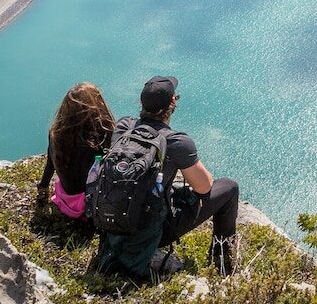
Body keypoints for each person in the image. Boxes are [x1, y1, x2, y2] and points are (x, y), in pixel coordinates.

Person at [98, 76, 239, 279]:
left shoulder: (123, 127)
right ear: (172, 102)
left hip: (112, 222)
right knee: (229, 187)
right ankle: (221, 261)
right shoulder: (176, 141)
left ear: (142, 103)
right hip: (150, 231)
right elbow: (204, 187)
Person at [36, 82, 115, 220]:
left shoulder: (56, 132)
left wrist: (43, 187)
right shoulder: (102, 134)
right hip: (89, 204)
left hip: (66, 199)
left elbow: (50, 162)